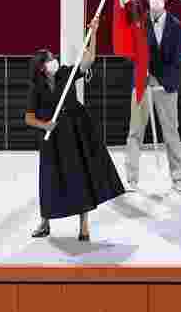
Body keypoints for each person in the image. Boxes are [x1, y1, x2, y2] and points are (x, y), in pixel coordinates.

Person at [25, 17, 125, 239]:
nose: (54, 60)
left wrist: (94, 33)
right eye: (50, 59)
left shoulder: (65, 74)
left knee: (80, 175)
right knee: (50, 179)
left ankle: (84, 226)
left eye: (53, 57)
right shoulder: (36, 90)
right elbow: (29, 118)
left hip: (76, 131)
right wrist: (45, 124)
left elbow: (89, 60)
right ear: (42, 68)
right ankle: (45, 222)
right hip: (52, 137)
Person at [126, 0, 181, 193]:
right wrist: (145, 74)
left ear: (166, 0)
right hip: (142, 83)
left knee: (171, 131)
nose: (155, 0)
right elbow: (131, 52)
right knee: (135, 132)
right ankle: (131, 178)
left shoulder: (177, 26)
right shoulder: (139, 23)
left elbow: (177, 60)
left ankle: (178, 176)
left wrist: (157, 77)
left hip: (166, 85)